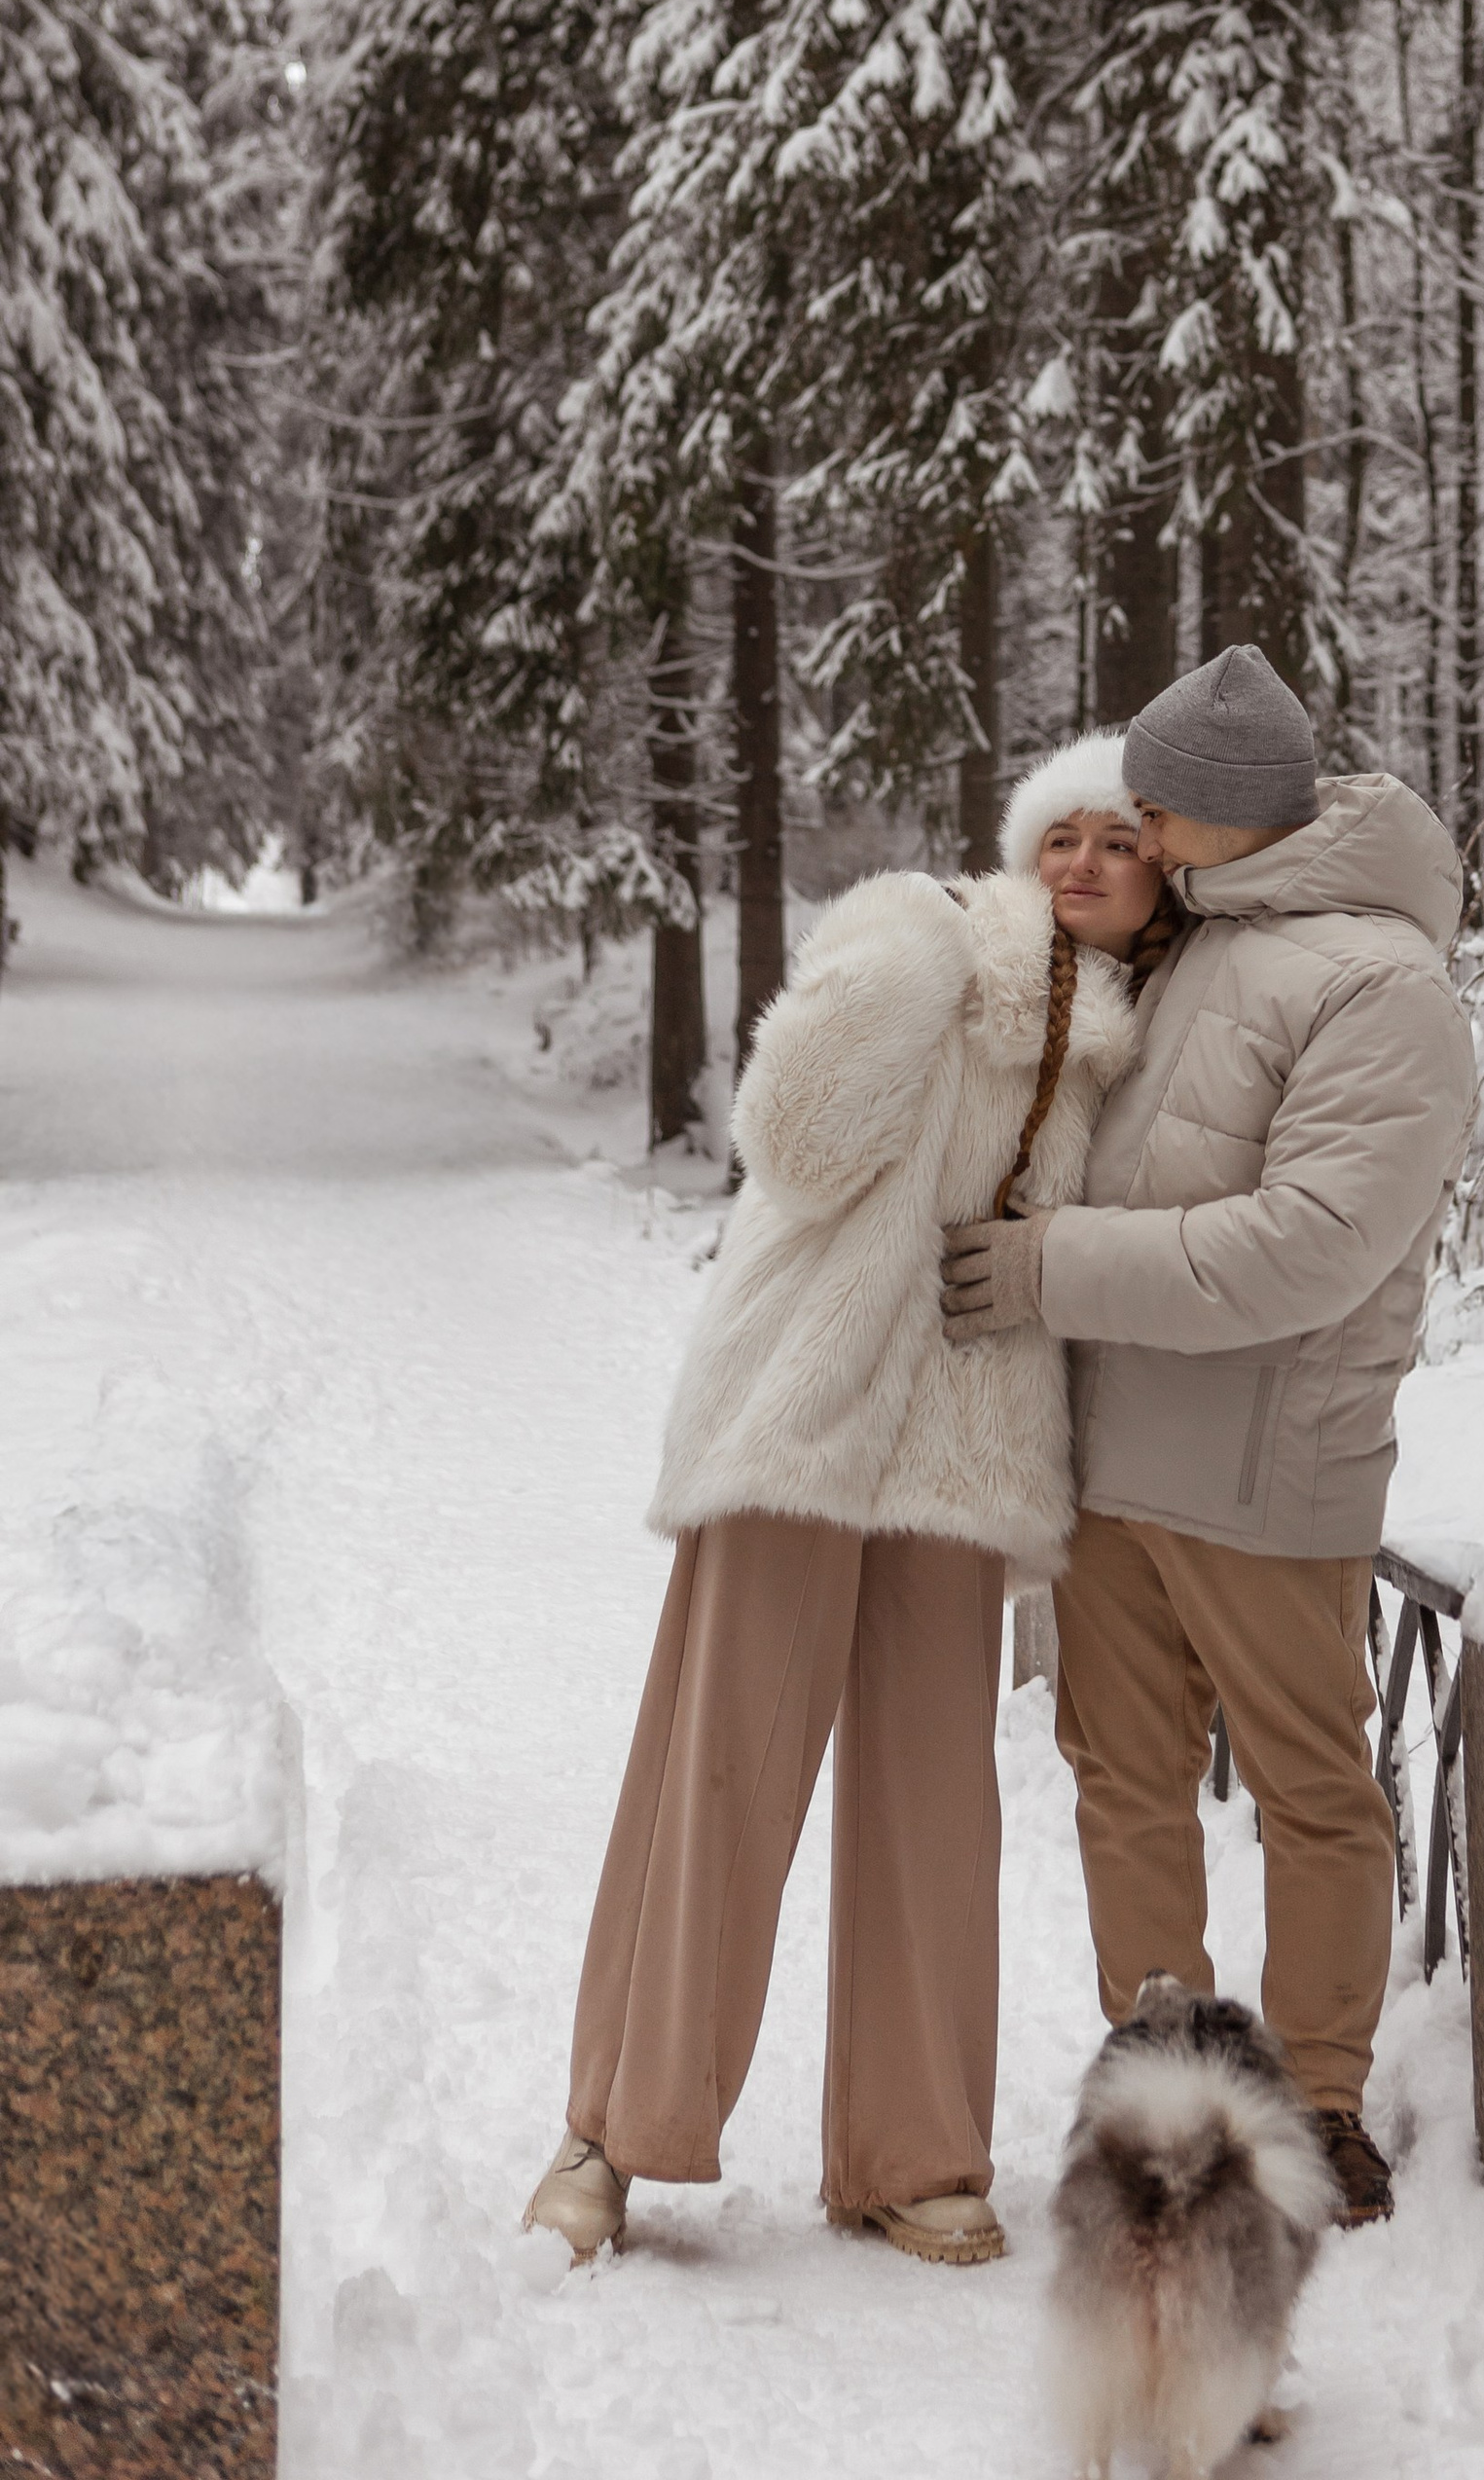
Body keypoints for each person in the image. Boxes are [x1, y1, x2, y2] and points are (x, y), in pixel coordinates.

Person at [525, 732, 1168, 2269]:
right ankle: (611, 2129)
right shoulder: (930, 935)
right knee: (723, 1769)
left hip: (968, 1443)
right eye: (1058, 837)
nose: (1080, 864)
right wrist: (899, 963)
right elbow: (790, 1140)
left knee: (937, 1797)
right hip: (807, 1411)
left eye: (1118, 845)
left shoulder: (1127, 1041)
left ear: (1160, 882)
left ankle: (915, 2150)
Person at [941, 645, 1476, 2228]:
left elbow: (1306, 1246)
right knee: (1123, 1773)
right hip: (1114, 1455)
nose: (1141, 832)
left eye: (1161, 808)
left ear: (1234, 816)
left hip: (1264, 1466)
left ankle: (1318, 2101)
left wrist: (1047, 1268)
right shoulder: (1193, 943)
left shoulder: (1384, 988)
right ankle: (1164, 2073)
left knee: (1314, 1790)